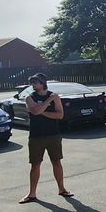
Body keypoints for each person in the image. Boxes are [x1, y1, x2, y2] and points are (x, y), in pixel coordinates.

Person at [19, 73, 70, 203]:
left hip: (54, 135)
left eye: (35, 82)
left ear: (42, 83)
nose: (33, 85)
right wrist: (47, 102)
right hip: (36, 137)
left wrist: (42, 111)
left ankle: (62, 189)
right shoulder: (29, 98)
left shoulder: (55, 96)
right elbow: (35, 111)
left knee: (56, 162)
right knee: (35, 165)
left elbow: (59, 115)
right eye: (32, 83)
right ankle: (32, 194)